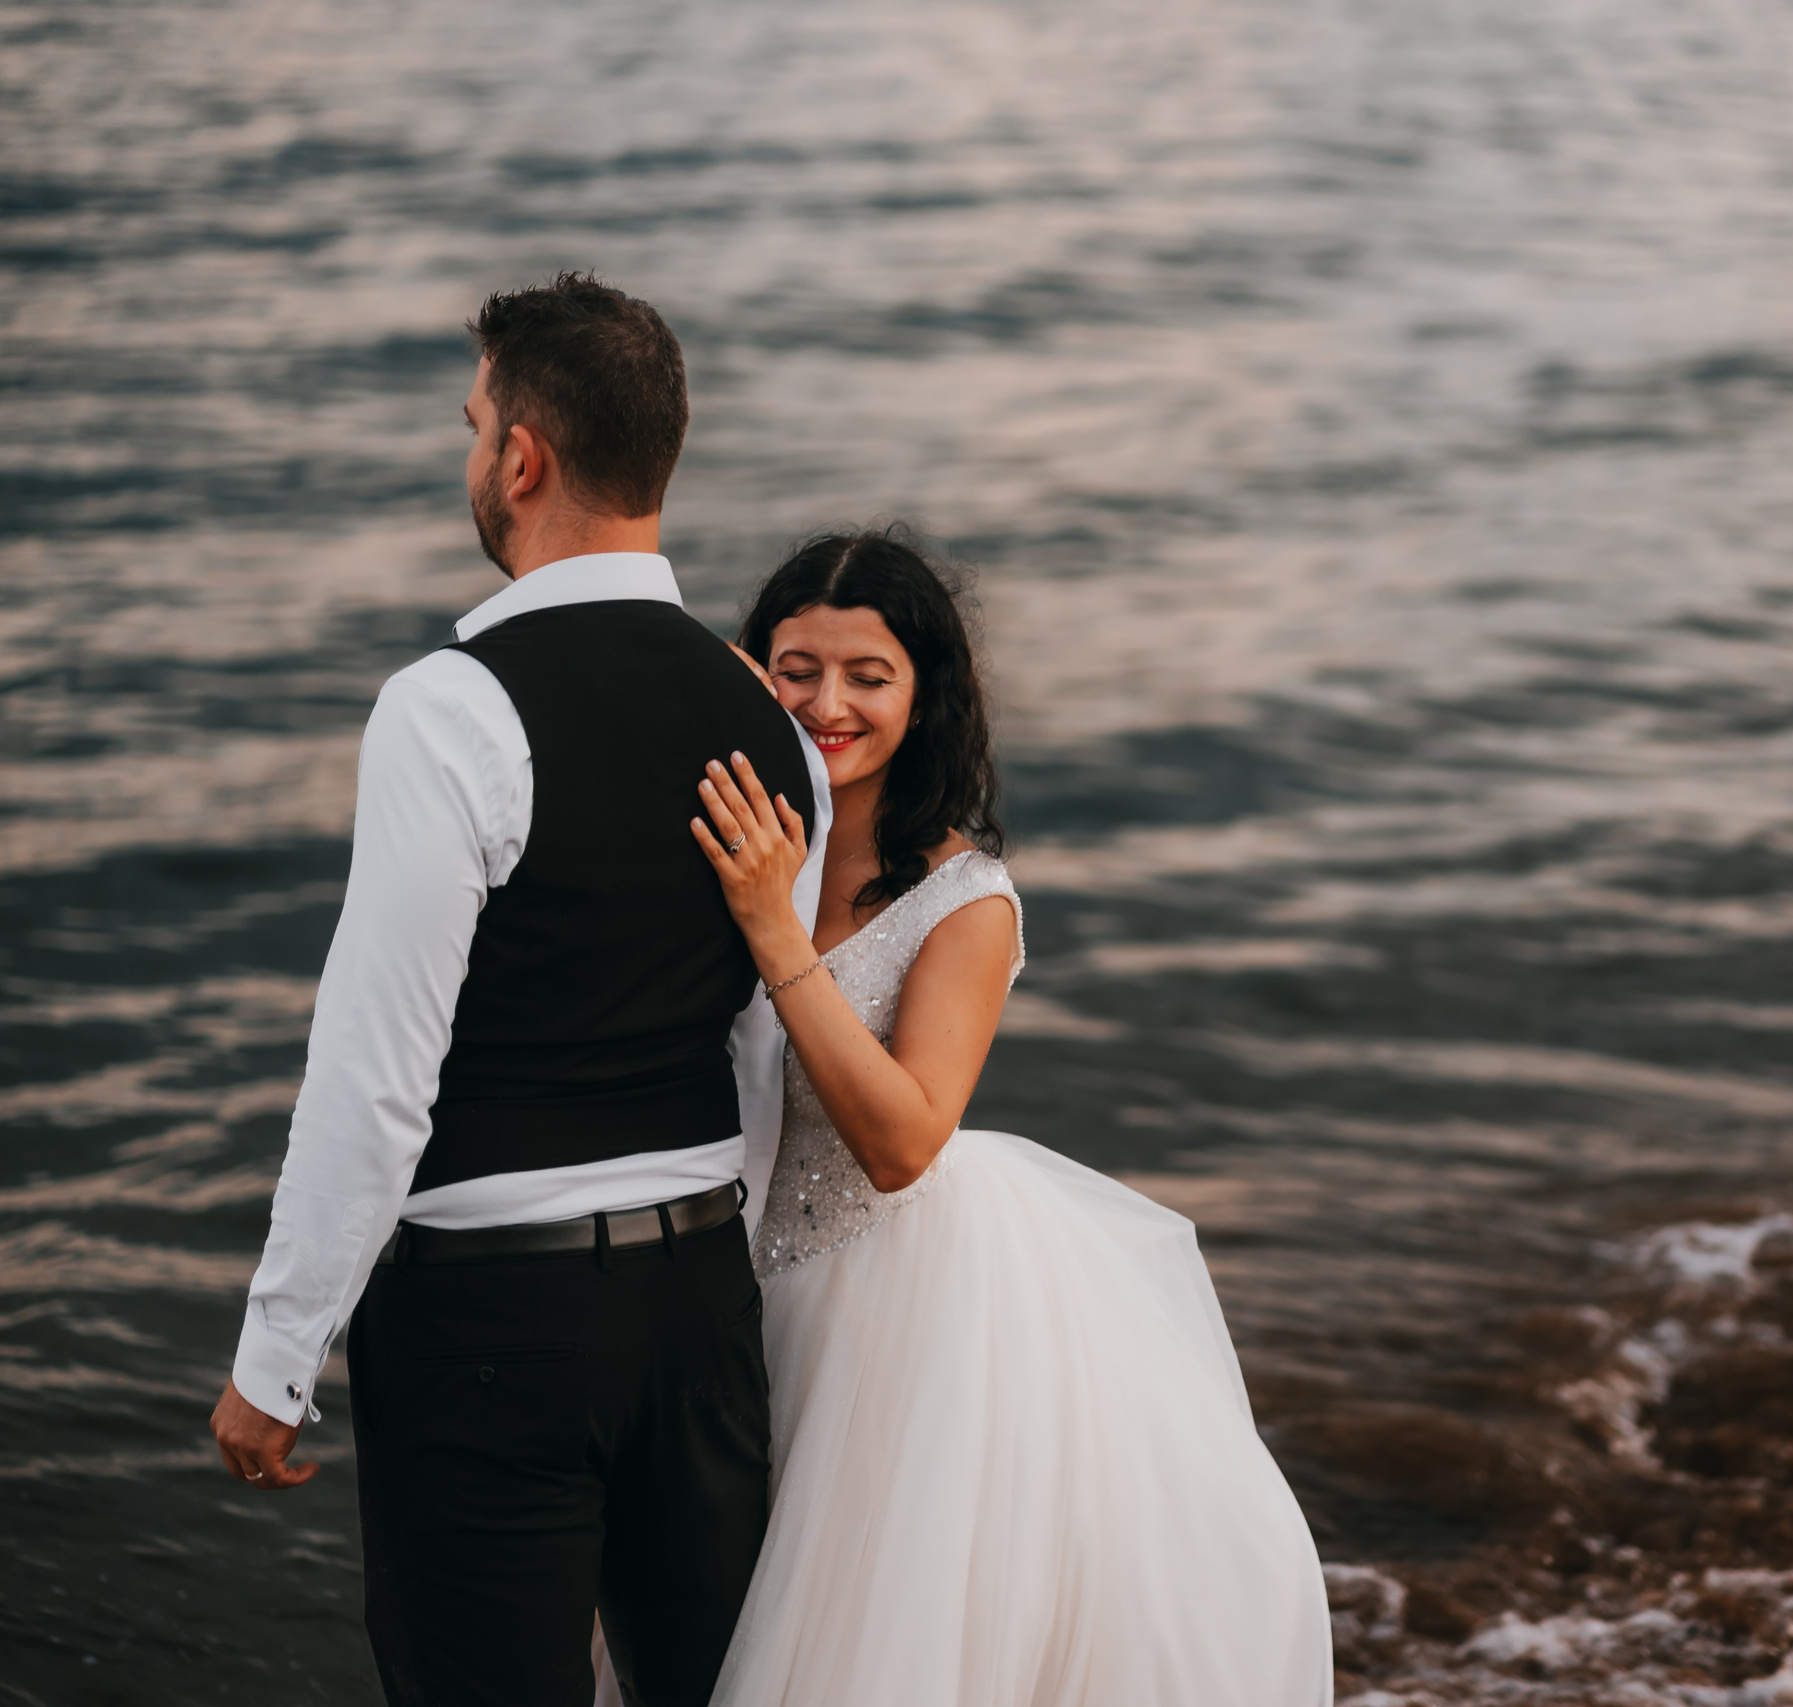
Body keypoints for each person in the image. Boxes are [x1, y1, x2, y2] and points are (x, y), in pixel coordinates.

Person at [206, 272, 830, 1707]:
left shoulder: (449, 707)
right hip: (693, 1311)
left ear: (524, 457)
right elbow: (758, 1046)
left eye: (474, 419)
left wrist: (275, 1356)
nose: (471, 447)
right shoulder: (771, 725)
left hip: (490, 1332)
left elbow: (375, 1071)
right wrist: (704, 1294)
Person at [663, 528, 1334, 1706]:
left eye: (868, 675)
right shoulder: (734, 839)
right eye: (794, 667)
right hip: (707, 1281)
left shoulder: (962, 901)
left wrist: (774, 931)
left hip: (880, 1311)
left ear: (924, 699)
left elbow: (905, 1143)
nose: (827, 702)